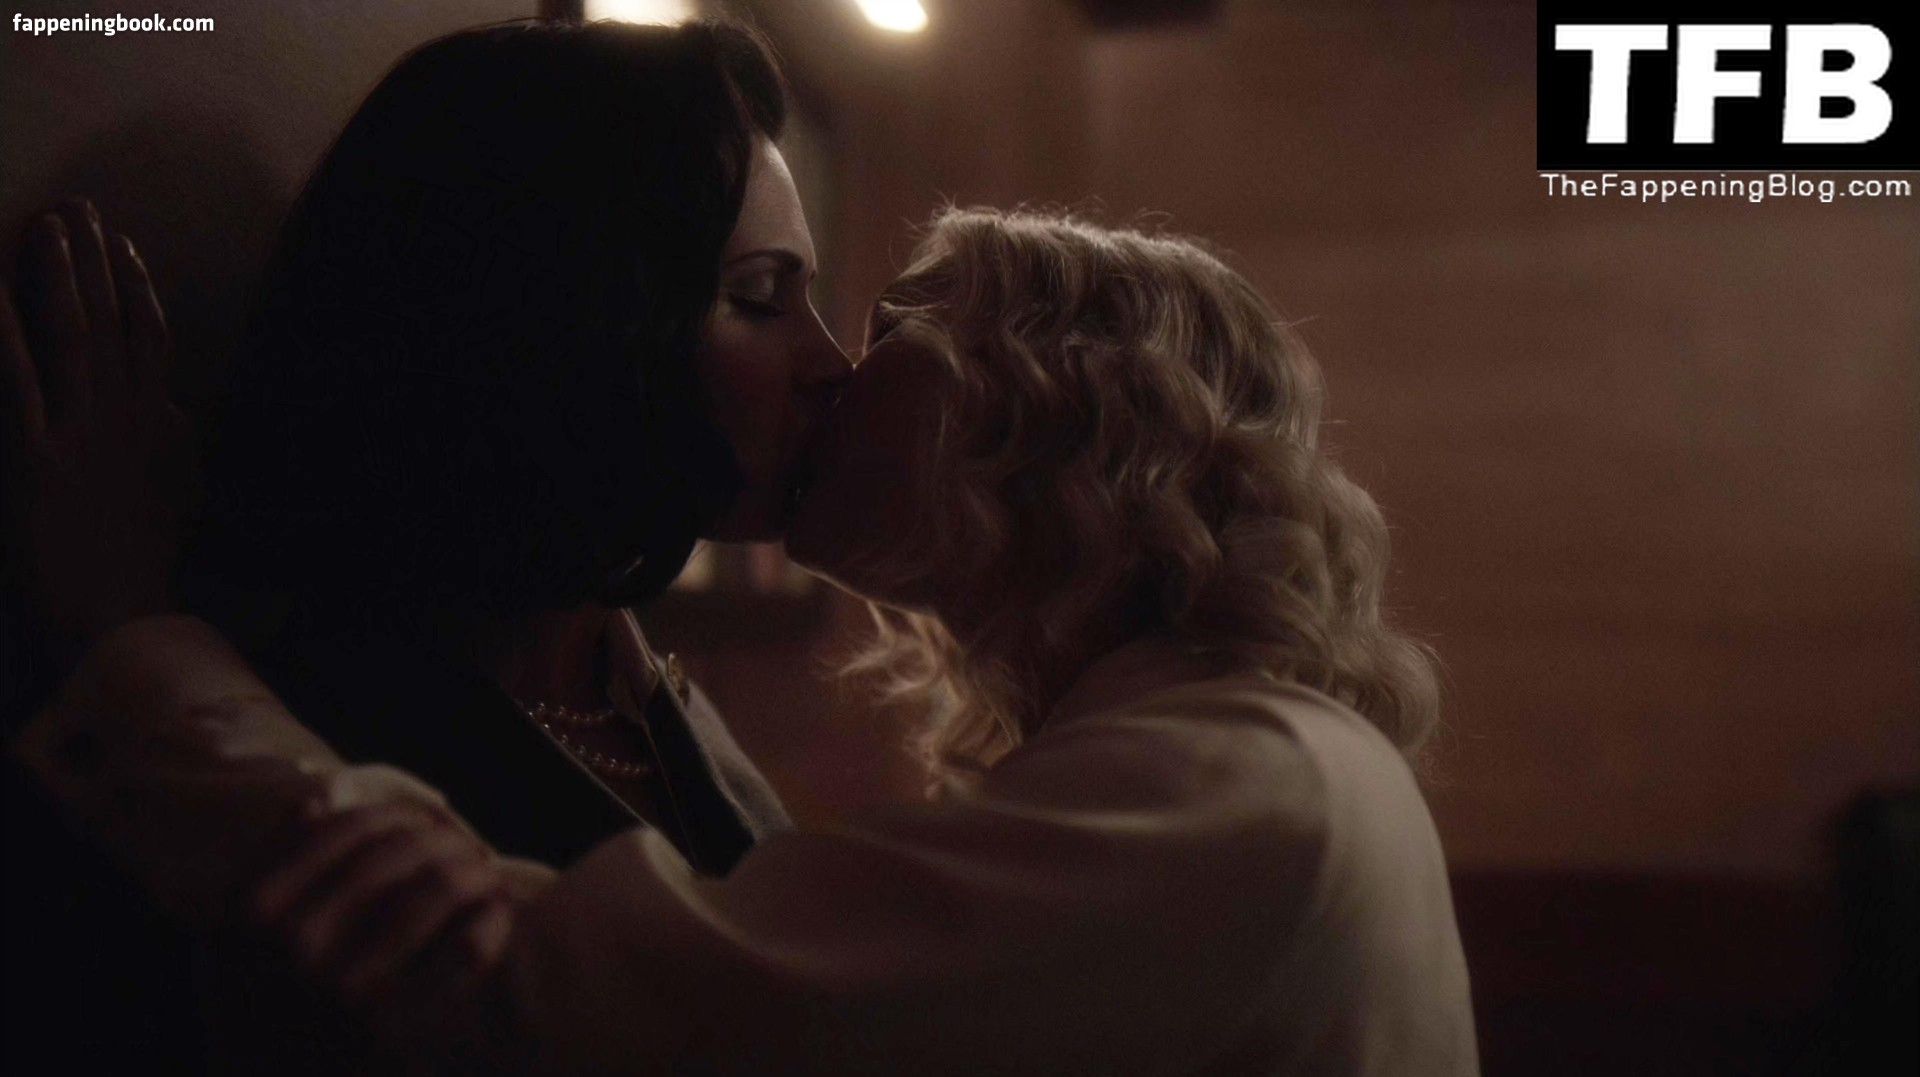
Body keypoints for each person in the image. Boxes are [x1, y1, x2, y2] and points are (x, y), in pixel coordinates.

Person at [8, 201, 1480, 1073]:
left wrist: (134, 632)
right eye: (768, 298)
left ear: (1063, 407)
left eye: (891, 323)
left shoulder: (1236, 789)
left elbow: (543, 1009)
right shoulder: (1267, 759)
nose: (829, 364)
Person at [1, 17, 849, 1071]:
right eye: (761, 296)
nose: (834, 362)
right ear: (565, 314)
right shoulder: (305, 705)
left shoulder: (639, 691)